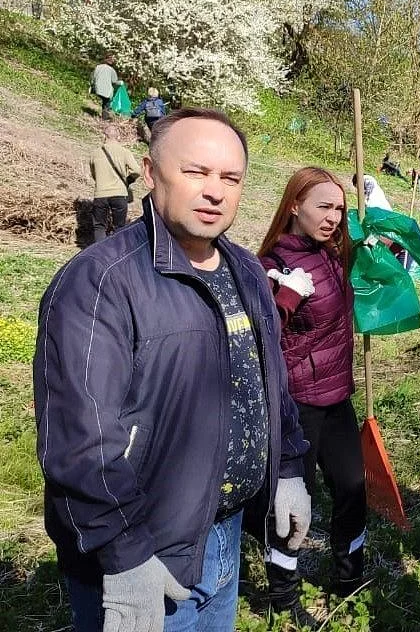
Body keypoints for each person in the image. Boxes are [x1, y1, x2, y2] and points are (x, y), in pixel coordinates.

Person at [34, 108, 312, 632]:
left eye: (230, 178)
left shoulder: (247, 270)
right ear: (149, 171)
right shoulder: (100, 282)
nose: (214, 191)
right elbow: (79, 441)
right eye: (195, 172)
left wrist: (288, 467)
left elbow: (270, 382)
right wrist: (125, 554)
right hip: (145, 555)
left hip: (223, 535)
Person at [259, 168, 368, 624]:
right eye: (323, 206)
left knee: (353, 485)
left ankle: (349, 578)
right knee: (293, 503)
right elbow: (258, 337)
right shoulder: (271, 266)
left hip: (337, 395)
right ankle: (284, 596)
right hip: (297, 404)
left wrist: (375, 241)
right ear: (294, 206)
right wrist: (284, 297)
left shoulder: (332, 253)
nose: (333, 217)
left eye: (339, 209)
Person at [89, 124, 141, 242]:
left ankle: (101, 250)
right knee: (119, 227)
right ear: (118, 136)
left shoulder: (95, 153)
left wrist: (101, 181)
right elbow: (137, 171)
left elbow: (93, 174)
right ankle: (118, 250)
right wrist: (129, 180)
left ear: (104, 136)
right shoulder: (124, 152)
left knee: (99, 226)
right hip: (119, 194)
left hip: (101, 194)